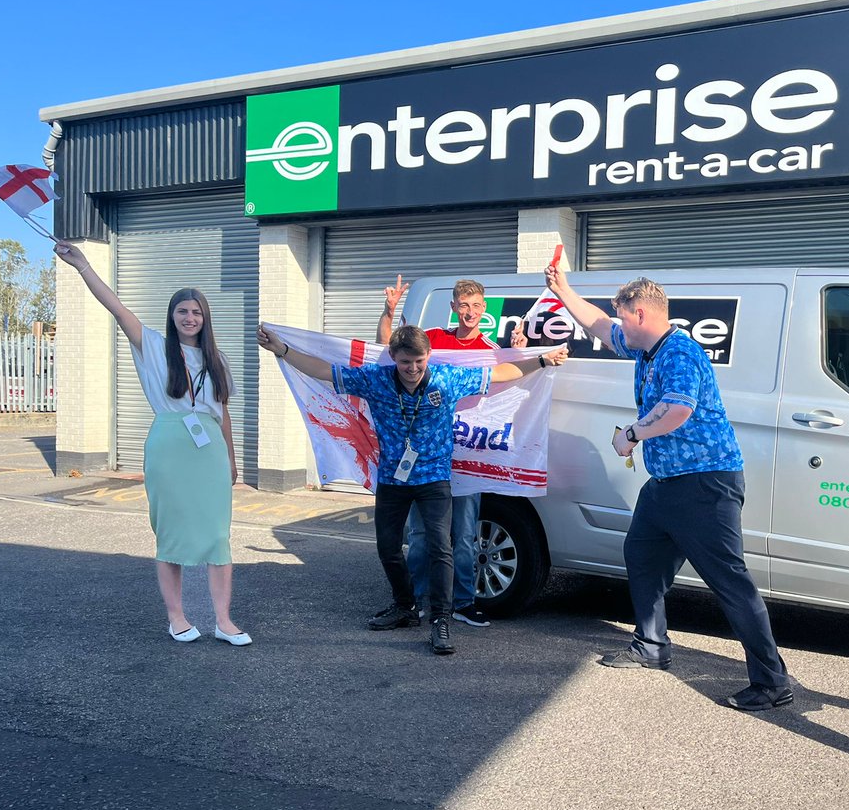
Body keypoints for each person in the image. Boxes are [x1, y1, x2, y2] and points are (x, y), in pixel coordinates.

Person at [545, 267, 792, 711]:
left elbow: (678, 409)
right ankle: (652, 644)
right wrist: (564, 292)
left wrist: (632, 435)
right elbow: (598, 325)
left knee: (730, 581)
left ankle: (773, 681)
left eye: (623, 318)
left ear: (640, 313)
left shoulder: (679, 353)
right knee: (642, 554)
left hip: (704, 484)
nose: (617, 326)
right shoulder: (647, 347)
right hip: (667, 485)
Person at [257, 321, 567, 655]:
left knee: (440, 548)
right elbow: (325, 371)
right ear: (393, 357)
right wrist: (283, 351)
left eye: (419, 361)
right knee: (388, 547)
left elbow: (500, 373)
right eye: (406, 362)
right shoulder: (376, 381)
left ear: (428, 355)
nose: (413, 368)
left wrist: (542, 360)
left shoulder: (447, 379)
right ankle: (405, 606)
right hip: (392, 479)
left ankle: (441, 620)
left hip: (434, 480)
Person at [54, 241, 250, 646]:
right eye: (183, 311)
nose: (190, 317)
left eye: (196, 312)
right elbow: (117, 308)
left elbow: (223, 413)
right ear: (172, 315)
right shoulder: (154, 346)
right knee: (172, 533)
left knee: (217, 534)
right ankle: (176, 617)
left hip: (209, 447)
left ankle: (224, 620)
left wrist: (231, 459)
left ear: (205, 318)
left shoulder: (218, 359)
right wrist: (84, 266)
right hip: (169, 444)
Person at [376, 276, 525, 628]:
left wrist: (520, 350)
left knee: (464, 536)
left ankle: (462, 602)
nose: (470, 312)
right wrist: (389, 309)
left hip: (469, 456)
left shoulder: (490, 349)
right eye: (463, 305)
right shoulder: (435, 342)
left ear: (483, 309)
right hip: (426, 461)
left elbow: (512, 376)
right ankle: (415, 601)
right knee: (421, 536)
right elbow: (387, 349)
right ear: (454, 307)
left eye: (476, 306)